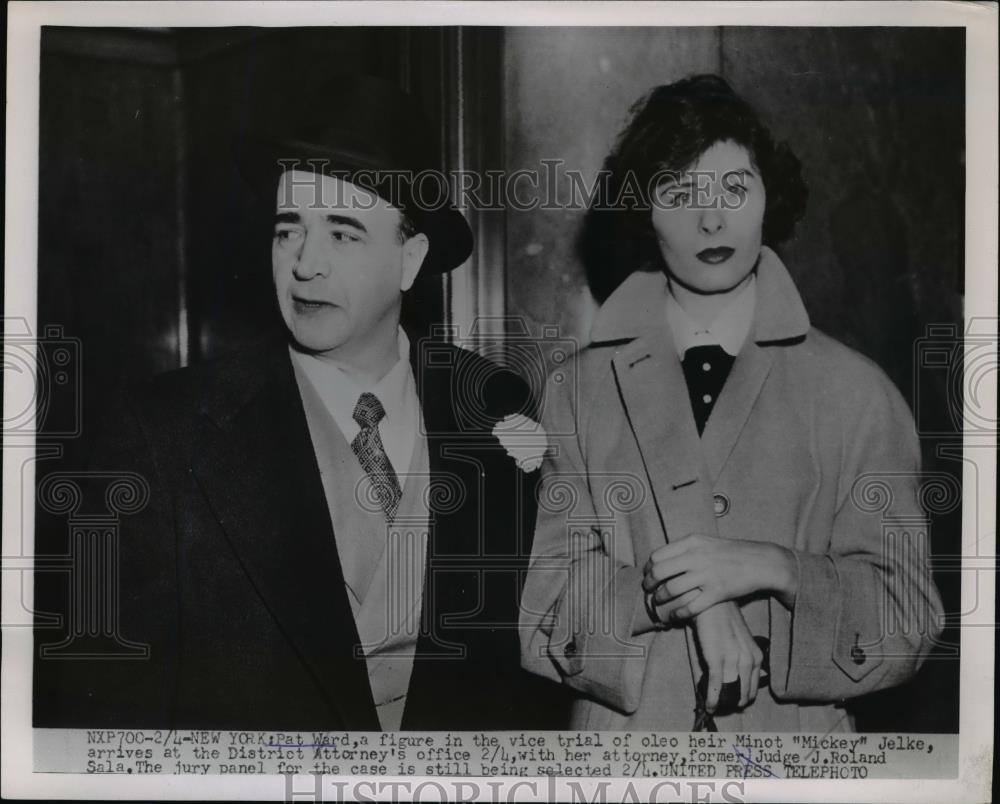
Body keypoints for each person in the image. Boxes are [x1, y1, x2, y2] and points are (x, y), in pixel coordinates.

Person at [34, 76, 566, 731]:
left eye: (343, 233)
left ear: (411, 257)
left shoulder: (492, 405)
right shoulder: (159, 433)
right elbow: (106, 710)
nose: (305, 264)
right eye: (289, 230)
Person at [520, 74, 943, 732]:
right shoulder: (577, 392)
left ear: (768, 199)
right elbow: (545, 614)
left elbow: (909, 622)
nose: (711, 218)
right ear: (645, 212)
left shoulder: (855, 392)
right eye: (679, 193)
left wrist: (775, 568)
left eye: (735, 188)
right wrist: (684, 598)